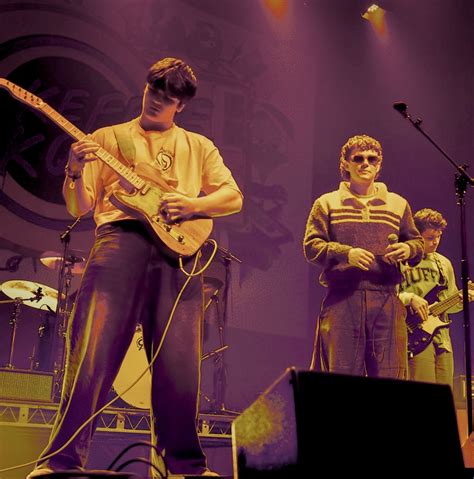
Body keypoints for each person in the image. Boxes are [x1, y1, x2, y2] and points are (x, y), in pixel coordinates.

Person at [28, 57, 243, 478]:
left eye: (167, 97)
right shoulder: (107, 138)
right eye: (153, 90)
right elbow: (79, 206)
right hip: (119, 240)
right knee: (91, 349)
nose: (156, 100)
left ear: (181, 105)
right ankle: (60, 461)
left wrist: (192, 204)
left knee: (180, 363)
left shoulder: (199, 146)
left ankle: (184, 466)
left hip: (178, 250)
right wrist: (74, 169)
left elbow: (232, 197)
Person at [303, 134, 423, 378]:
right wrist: (347, 253)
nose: (365, 163)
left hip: (387, 299)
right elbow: (311, 247)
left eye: (372, 159)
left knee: (390, 376)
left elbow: (417, 243)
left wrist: (408, 249)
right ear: (345, 164)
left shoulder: (397, 204)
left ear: (379, 165)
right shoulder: (327, 202)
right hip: (343, 298)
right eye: (358, 158)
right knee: (341, 375)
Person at [399, 208, 473, 387]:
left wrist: (462, 299)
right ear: (416, 235)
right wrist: (410, 297)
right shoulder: (402, 260)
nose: (435, 242)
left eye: (438, 236)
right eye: (430, 237)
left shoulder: (444, 263)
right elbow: (388, 297)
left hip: (443, 339)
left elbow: (449, 304)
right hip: (414, 335)